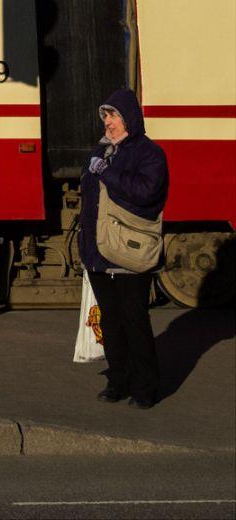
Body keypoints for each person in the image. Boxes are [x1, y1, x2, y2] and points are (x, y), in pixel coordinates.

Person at [79, 88, 168, 409]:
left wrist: (108, 172)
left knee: (135, 320)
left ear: (129, 118)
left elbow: (145, 192)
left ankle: (146, 387)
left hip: (130, 249)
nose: (108, 122)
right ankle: (119, 380)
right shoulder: (101, 151)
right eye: (105, 116)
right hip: (100, 251)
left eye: (113, 115)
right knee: (110, 322)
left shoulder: (149, 153)